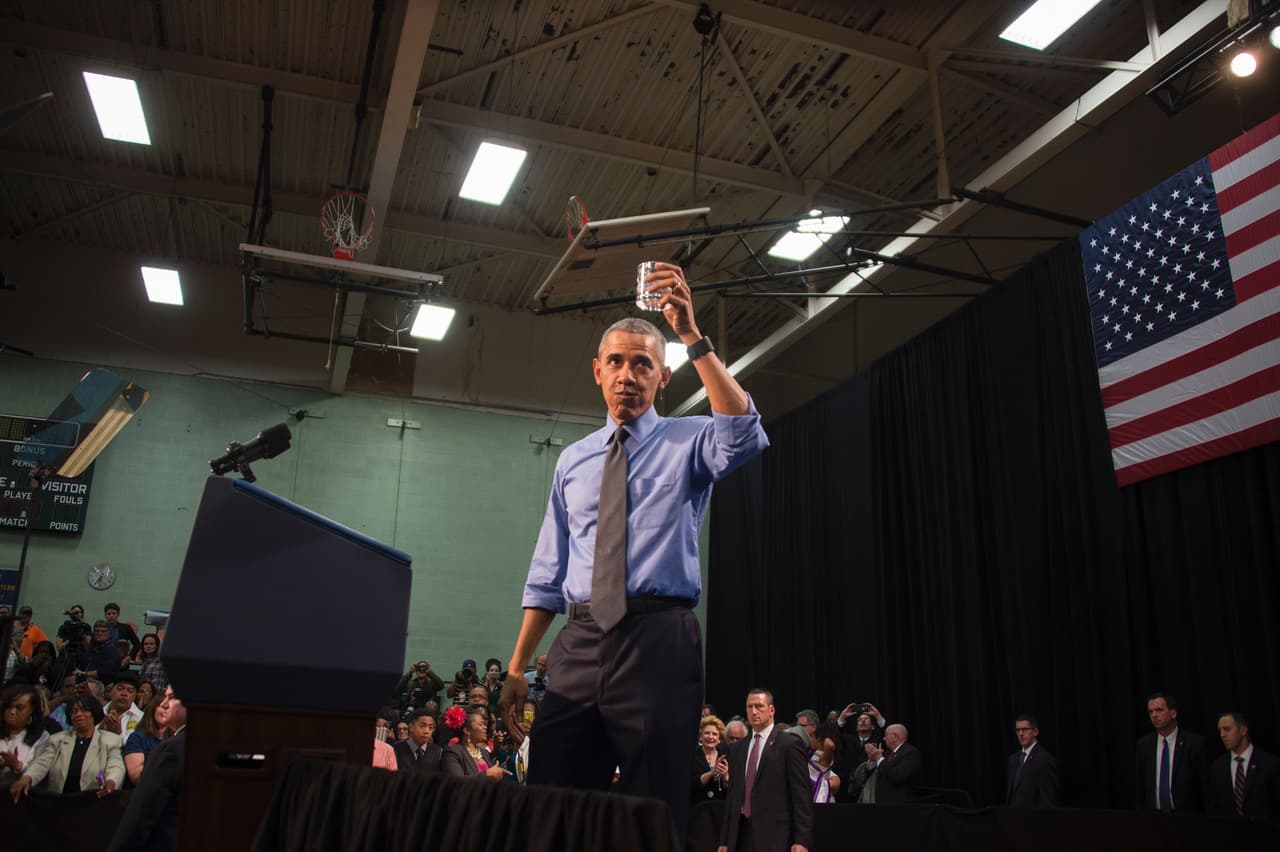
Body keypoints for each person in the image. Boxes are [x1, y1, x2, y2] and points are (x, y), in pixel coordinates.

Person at [500, 266, 769, 842]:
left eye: (642, 363)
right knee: (552, 797)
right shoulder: (573, 460)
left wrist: (692, 336)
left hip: (658, 640)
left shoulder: (690, 440)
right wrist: (519, 666)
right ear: (597, 372)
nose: (628, 375)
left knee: (652, 800)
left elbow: (743, 432)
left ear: (662, 376)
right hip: (579, 641)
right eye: (617, 362)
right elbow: (548, 571)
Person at [717, 689, 812, 852]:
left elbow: (801, 796)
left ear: (771, 710)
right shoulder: (738, 748)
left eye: (759, 706)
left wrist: (802, 840)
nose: (754, 711)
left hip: (776, 836)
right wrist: (725, 840)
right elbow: (733, 797)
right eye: (750, 707)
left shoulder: (788, 745)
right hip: (741, 834)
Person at [106, 684, 187, 852]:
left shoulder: (173, 748)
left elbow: (144, 811)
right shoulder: (205, 743)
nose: (164, 704)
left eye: (171, 698)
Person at [9, 694, 124, 798]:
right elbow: (42, 763)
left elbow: (116, 766)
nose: (78, 714)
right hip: (60, 800)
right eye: (74, 711)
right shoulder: (57, 739)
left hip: (93, 801)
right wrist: (27, 778)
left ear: (94, 714)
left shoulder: (110, 740)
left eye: (84, 710)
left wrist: (111, 781)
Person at [1134, 692, 1208, 813]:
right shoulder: (1144, 745)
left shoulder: (1194, 743)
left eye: (1159, 710)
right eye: (1150, 712)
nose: (1154, 715)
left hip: (1188, 817)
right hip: (1154, 818)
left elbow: (1204, 786)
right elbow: (1141, 787)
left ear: (1173, 713)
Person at [1208, 711, 1280, 818]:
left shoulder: (1269, 763)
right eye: (1220, 730)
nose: (1222, 735)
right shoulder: (1218, 766)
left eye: (1227, 729)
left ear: (1243, 730)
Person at [850, 723, 920, 804]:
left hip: (899, 804)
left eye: (886, 735)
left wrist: (880, 758)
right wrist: (872, 760)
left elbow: (897, 776)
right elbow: (872, 775)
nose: (884, 738)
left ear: (895, 737)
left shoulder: (910, 753)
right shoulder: (887, 753)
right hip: (881, 802)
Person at [0, 684, 50, 785]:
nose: (12, 712)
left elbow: (38, 772)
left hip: (22, 796)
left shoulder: (42, 736)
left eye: (19, 708)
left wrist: (17, 766)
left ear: (31, 711)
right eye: (9, 706)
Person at [442, 707, 508, 781]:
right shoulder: (452, 752)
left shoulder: (484, 753)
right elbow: (457, 783)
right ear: (467, 730)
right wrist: (486, 774)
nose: (485, 727)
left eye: (485, 724)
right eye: (481, 724)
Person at [1006, 714, 1059, 807]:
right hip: (1013, 817)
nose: (1021, 733)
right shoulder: (1013, 759)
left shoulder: (1044, 759)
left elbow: (1047, 798)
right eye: (1018, 730)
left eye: (1025, 729)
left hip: (1034, 819)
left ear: (1035, 731)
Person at [122, 694, 170, 785]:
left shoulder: (178, 738)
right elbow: (136, 777)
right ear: (153, 709)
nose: (167, 710)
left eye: (170, 708)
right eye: (163, 707)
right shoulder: (138, 738)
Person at [392, 708, 443, 774]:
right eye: (422, 726)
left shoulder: (438, 752)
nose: (427, 731)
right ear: (411, 727)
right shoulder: (396, 750)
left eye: (430, 727)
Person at [693, 715, 730, 803]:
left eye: (714, 734)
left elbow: (732, 787)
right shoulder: (693, 757)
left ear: (719, 739)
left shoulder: (726, 757)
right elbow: (691, 784)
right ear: (700, 737)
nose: (710, 737)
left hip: (720, 808)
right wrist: (711, 773)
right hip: (697, 808)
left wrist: (726, 778)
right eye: (707, 733)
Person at [101, 672, 144, 744]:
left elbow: (137, 747)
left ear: (135, 696)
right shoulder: (98, 713)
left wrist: (118, 733)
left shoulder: (142, 718)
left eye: (130, 691)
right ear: (111, 692)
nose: (124, 693)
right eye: (120, 689)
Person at [807, 721, 841, 804]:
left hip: (821, 798)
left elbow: (830, 745)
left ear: (819, 739)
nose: (811, 739)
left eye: (812, 736)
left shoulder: (822, 758)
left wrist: (825, 739)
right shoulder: (810, 754)